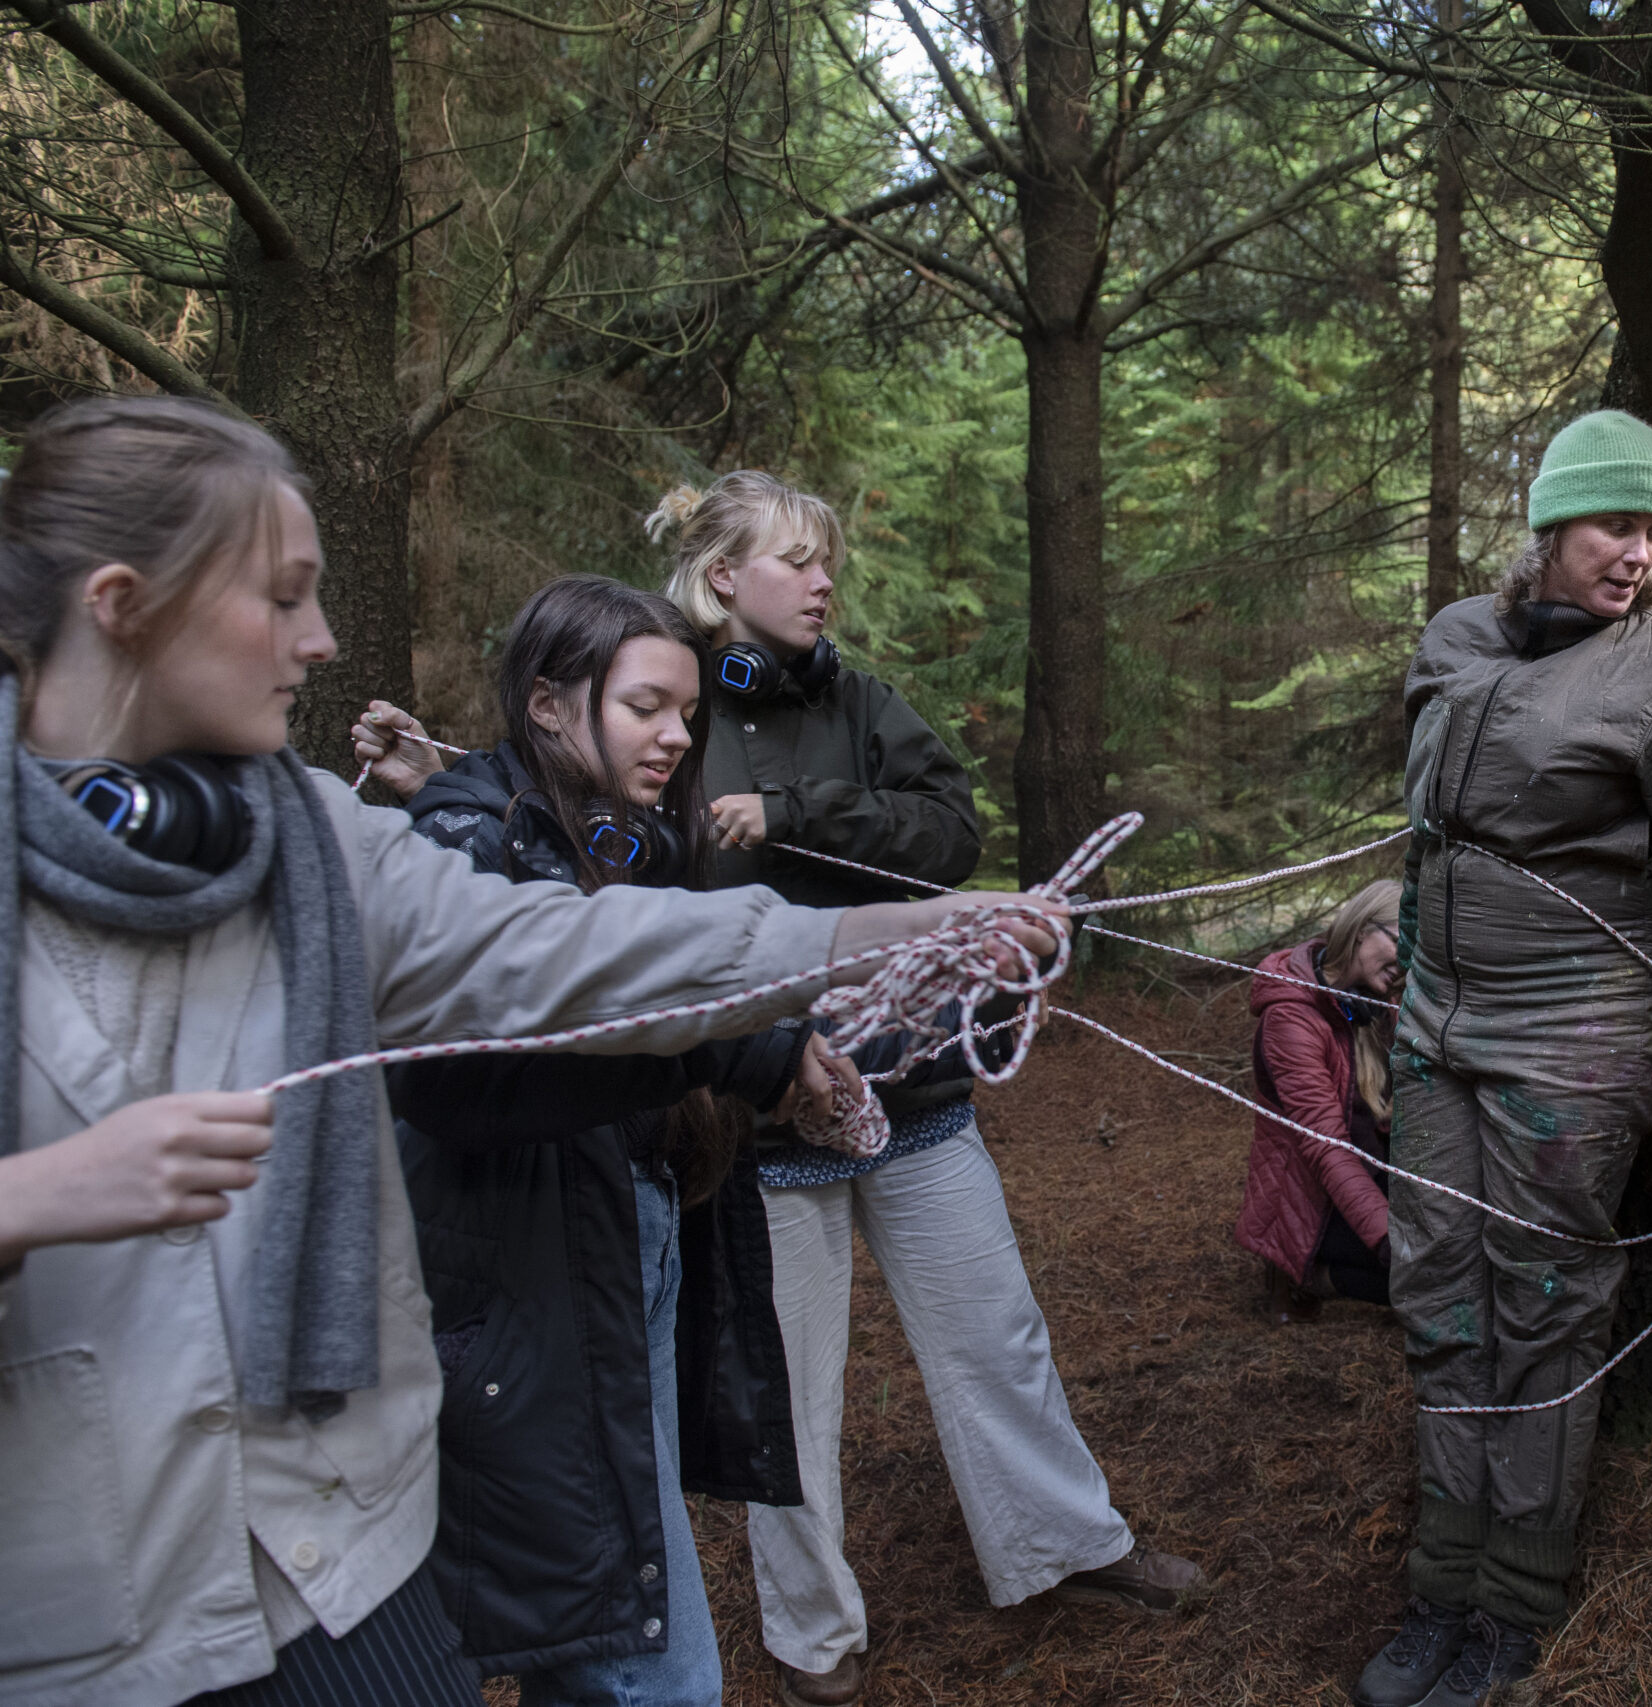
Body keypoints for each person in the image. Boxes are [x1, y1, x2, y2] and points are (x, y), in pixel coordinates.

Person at [0, 398, 1059, 1707]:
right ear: (122, 605)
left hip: (351, 1564)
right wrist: (36, 1198)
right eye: (279, 597)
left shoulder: (320, 841)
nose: (320, 638)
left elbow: (562, 949)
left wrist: (869, 937)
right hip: (84, 1616)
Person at [652, 472, 1202, 1706]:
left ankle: (1066, 1547)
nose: (823, 581)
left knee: (994, 1332)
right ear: (724, 577)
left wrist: (794, 812)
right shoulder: (668, 708)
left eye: (828, 560)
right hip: (758, 1108)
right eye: (797, 559)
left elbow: (948, 834)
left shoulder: (857, 699)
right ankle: (812, 1636)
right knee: (790, 1390)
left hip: (913, 1083)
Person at [354, 575, 846, 1704]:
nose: (676, 736)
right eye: (644, 707)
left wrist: (782, 1042)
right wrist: (737, 1045)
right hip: (522, 1291)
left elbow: (662, 979)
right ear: (547, 703)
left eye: (688, 713)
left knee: (613, 1606)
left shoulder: (629, 835)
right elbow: (478, 1062)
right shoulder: (463, 838)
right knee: (642, 1666)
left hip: (627, 1247)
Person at [1357, 411, 1652, 1707]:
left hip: (1577, 1030)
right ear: (1550, 525)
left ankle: (1513, 1604)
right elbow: (1425, 839)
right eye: (1614, 526)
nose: (1638, 553)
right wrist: (1404, 963)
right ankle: (1440, 1580)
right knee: (1436, 1291)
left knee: (1541, 1301)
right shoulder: (1455, 639)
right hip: (1437, 1026)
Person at [1235, 877, 1403, 1320]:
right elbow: (1326, 1148)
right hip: (1313, 1199)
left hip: (1371, 1169)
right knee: (1428, 1278)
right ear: (1362, 929)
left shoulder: (1375, 1001)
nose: (1406, 960)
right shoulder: (1290, 1018)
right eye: (1400, 941)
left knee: (1457, 1253)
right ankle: (1313, 1277)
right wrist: (1389, 1238)